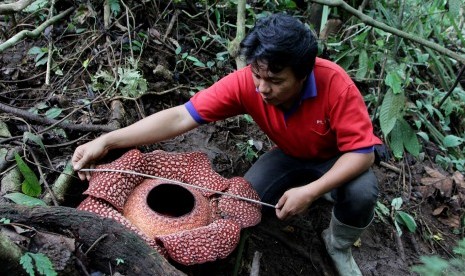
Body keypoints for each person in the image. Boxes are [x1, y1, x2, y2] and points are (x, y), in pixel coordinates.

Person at [72, 13, 381, 276]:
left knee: (360, 193)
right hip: (290, 155)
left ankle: (338, 245)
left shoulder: (335, 85)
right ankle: (318, 187)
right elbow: (181, 116)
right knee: (240, 203)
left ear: (303, 75)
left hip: (339, 157)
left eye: (275, 80)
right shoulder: (249, 82)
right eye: (258, 75)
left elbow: (362, 154)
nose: (262, 88)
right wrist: (107, 140)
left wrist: (311, 191)